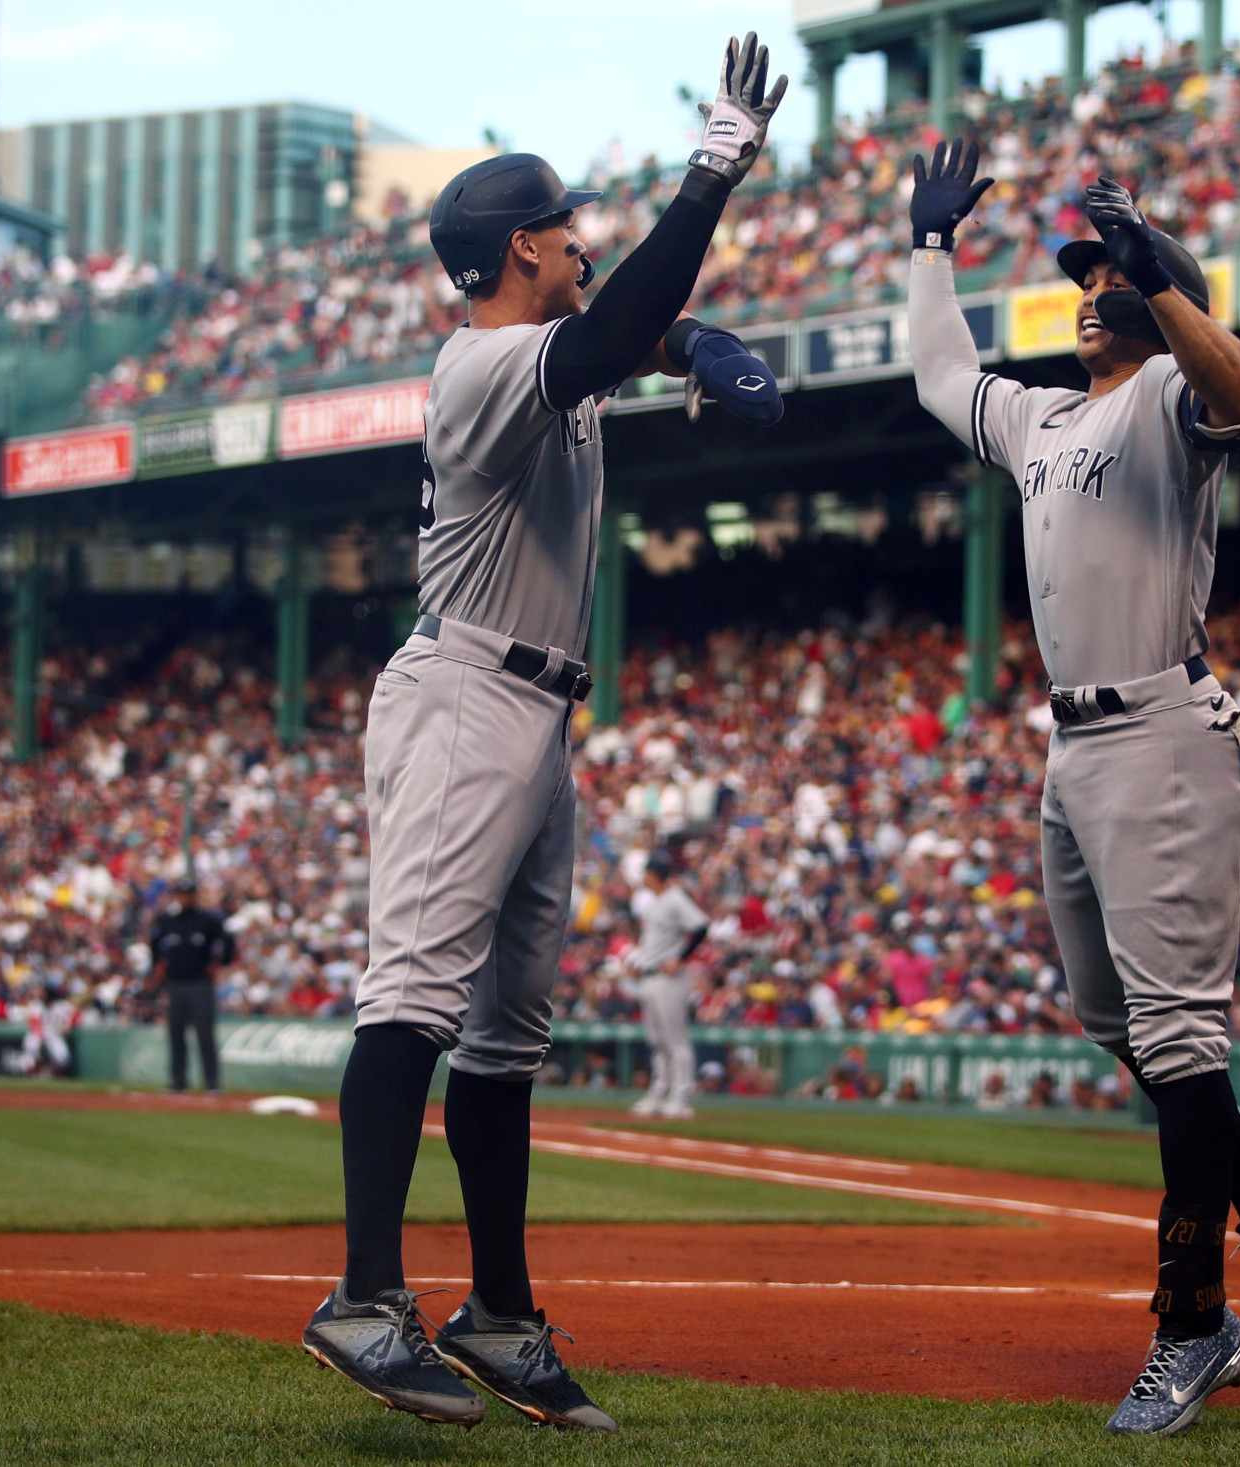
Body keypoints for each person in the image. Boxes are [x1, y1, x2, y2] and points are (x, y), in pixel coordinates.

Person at [300, 31, 787, 1434]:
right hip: (462, 696)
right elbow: (612, 332)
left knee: (507, 1030)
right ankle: (363, 1294)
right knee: (415, 990)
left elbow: (635, 333)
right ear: (523, 248)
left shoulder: (541, 351)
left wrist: (705, 343)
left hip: (534, 707)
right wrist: (711, 175)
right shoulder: (484, 368)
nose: (584, 243)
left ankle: (499, 1311)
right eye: (568, 230)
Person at [905, 140, 1240, 1438]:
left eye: (1103, 270)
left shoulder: (1163, 391)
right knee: (1117, 1022)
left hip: (1163, 726)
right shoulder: (1043, 413)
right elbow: (936, 373)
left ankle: (1194, 1323)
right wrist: (929, 249)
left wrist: (1164, 279)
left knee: (1179, 1039)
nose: (1085, 285)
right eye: (1082, 272)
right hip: (1072, 745)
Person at [629, 850, 709, 1120]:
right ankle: (661, 1091)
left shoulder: (675, 898)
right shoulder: (654, 902)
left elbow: (701, 928)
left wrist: (680, 958)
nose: (644, 877)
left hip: (670, 978)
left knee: (675, 1039)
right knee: (657, 1040)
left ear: (655, 874)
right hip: (651, 975)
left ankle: (681, 1096)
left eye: (647, 872)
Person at [148, 877, 232, 1094]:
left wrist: (219, 963)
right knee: (175, 1034)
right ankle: (178, 1082)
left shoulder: (206, 920)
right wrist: (157, 965)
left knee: (204, 1033)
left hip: (200, 985)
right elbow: (154, 944)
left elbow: (228, 941)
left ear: (194, 895)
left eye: (188, 893)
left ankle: (212, 1083)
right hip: (175, 983)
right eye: (181, 893)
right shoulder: (168, 921)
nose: (185, 898)